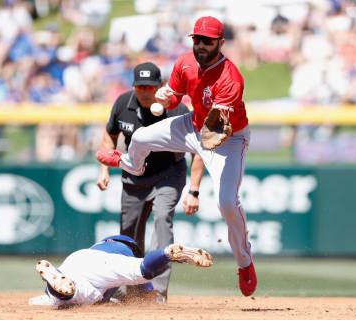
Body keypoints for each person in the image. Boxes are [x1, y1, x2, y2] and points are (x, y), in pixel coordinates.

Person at [96, 16, 257, 296]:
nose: (201, 45)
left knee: (228, 203)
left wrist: (197, 158)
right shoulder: (184, 62)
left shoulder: (231, 78)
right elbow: (174, 98)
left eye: (208, 40)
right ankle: (129, 163)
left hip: (228, 139)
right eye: (197, 39)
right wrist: (165, 98)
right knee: (141, 137)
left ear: (220, 42)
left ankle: (244, 262)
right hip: (194, 124)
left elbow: (215, 132)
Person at [96, 62, 205, 303]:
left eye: (150, 86)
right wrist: (104, 169)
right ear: (134, 86)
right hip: (134, 178)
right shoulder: (123, 103)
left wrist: (193, 190)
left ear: (160, 87)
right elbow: (110, 135)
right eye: (140, 86)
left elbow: (199, 149)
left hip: (168, 174)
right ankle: (133, 291)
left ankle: (158, 291)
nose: (145, 91)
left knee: (162, 221)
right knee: (128, 235)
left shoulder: (177, 110)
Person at [28, 235, 212, 308]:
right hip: (104, 266)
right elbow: (148, 292)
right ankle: (166, 253)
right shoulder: (127, 253)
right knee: (141, 271)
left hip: (79, 259)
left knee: (59, 299)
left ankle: (52, 289)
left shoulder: (97, 248)